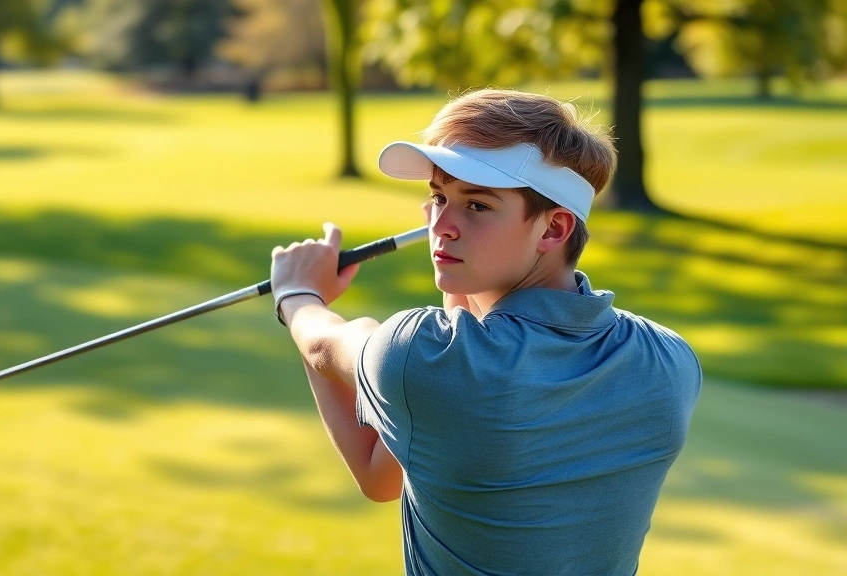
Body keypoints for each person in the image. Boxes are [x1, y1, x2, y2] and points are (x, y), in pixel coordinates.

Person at [269, 89, 702, 576]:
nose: (442, 226)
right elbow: (384, 475)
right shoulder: (669, 361)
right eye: (438, 197)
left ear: (554, 229)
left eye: (477, 205)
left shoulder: (426, 358)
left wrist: (298, 291)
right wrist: (467, 280)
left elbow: (325, 343)